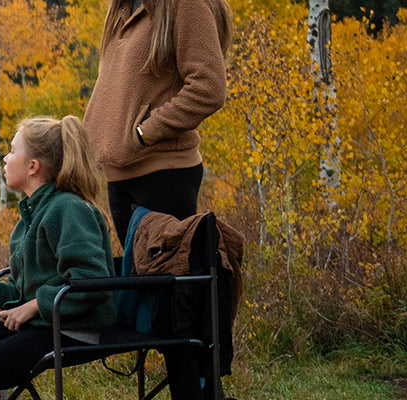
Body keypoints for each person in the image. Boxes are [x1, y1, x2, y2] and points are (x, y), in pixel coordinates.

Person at [85, 0, 232, 395]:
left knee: (172, 304)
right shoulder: (123, 9)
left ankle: (198, 391)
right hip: (122, 176)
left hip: (164, 172)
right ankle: (194, 389)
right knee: (154, 301)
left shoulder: (184, 5)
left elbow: (209, 87)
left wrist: (143, 134)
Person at [0, 116, 118, 399]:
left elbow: (92, 282)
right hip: (39, 323)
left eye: (12, 150)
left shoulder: (68, 209)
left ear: (33, 166)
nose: (5, 157)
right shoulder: (30, 216)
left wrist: (34, 306)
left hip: (72, 329)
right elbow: (19, 291)